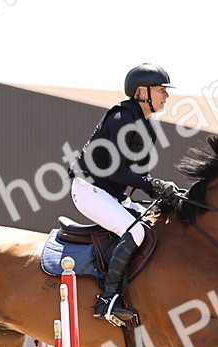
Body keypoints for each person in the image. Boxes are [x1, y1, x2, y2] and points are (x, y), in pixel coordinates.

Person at [71, 63, 185, 324]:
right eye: (161, 90)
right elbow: (116, 170)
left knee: (154, 228)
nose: (166, 95)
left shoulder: (147, 127)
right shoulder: (120, 118)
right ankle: (107, 300)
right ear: (142, 92)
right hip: (89, 189)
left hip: (112, 194)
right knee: (135, 232)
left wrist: (162, 190)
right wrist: (153, 185)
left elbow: (137, 174)